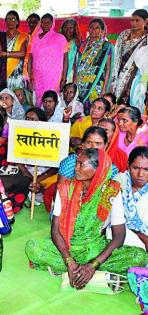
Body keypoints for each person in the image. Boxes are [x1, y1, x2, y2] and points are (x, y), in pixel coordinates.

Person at [25, 148, 147, 281]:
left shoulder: (111, 191)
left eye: (81, 164)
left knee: (138, 256)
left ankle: (84, 271)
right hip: (67, 248)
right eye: (76, 163)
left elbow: (119, 235)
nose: (76, 168)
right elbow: (55, 231)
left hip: (96, 248)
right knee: (32, 247)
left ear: (97, 169)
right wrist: (69, 261)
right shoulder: (65, 188)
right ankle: (83, 271)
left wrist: (93, 264)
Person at [28, 13, 68, 107]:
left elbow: (65, 59)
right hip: (37, 76)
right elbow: (30, 58)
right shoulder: (34, 38)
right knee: (38, 100)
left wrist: (64, 78)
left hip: (53, 77)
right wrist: (30, 77)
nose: (45, 24)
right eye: (43, 22)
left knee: (51, 99)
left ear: (52, 24)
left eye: (48, 22)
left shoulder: (60, 38)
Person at [76, 18, 114, 115]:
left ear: (102, 31)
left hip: (96, 83)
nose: (93, 30)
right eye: (91, 27)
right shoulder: (83, 44)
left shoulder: (106, 46)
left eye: (97, 28)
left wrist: (105, 88)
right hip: (81, 83)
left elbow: (108, 68)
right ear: (88, 29)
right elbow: (77, 64)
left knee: (95, 109)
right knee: (81, 110)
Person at [114, 146, 148, 251]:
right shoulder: (118, 182)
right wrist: (140, 235)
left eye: (146, 169)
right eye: (136, 168)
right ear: (128, 165)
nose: (140, 174)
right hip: (117, 238)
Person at [112, 9, 147, 107]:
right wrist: (114, 75)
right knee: (115, 100)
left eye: (137, 20)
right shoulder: (124, 34)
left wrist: (144, 82)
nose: (133, 23)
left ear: (146, 21)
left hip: (137, 76)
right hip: (119, 72)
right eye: (132, 20)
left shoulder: (146, 39)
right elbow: (117, 55)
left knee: (134, 100)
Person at [0, 11, 28, 95]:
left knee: (17, 96)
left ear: (17, 22)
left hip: (17, 72)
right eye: (8, 19)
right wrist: (14, 54)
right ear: (5, 21)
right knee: (4, 97)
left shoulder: (23, 36)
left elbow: (23, 54)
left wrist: (5, 54)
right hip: (3, 71)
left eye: (13, 19)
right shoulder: (0, 36)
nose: (10, 21)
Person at [60, 19, 80, 83]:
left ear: (74, 29)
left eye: (70, 28)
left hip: (70, 73)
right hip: (57, 72)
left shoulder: (76, 43)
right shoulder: (59, 40)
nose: (67, 29)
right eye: (65, 27)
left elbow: (76, 61)